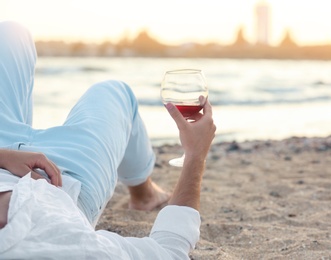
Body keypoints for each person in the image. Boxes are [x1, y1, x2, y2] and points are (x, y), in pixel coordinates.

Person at [0, 21, 216, 259]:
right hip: (60, 179)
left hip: (6, 156)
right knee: (114, 92)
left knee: (10, 35)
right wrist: (196, 155)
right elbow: (171, 251)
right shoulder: (66, 247)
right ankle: (144, 194)